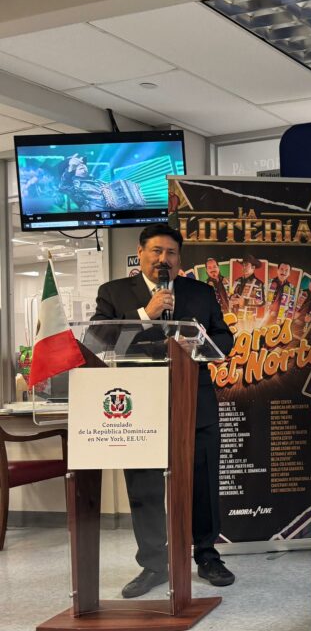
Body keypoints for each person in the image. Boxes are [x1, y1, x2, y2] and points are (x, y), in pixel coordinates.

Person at [92, 223, 236, 597]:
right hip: (139, 406)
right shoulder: (114, 293)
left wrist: (197, 342)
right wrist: (146, 313)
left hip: (195, 403)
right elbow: (99, 340)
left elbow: (224, 337)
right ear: (140, 253)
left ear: (179, 258)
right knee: (145, 486)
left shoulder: (200, 293)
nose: (163, 259)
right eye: (156, 251)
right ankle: (154, 565)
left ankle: (207, 556)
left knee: (203, 484)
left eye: (171, 252)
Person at [230, 254, 265, 320]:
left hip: (249, 319)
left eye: (246, 265)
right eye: (243, 265)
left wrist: (244, 301)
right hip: (234, 317)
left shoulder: (258, 283)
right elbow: (230, 294)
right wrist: (231, 297)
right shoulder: (237, 281)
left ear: (253, 267)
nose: (244, 267)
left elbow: (261, 302)